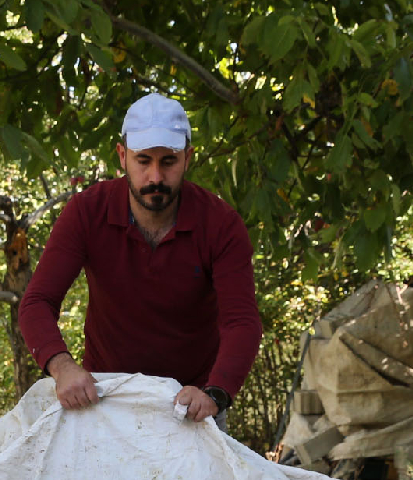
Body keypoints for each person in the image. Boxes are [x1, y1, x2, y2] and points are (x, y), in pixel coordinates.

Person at [18, 93, 262, 423]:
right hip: (106, 397)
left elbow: (241, 321)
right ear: (123, 156)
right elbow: (38, 301)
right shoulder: (87, 212)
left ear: (188, 158)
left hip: (191, 402)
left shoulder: (221, 224)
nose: (156, 178)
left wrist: (216, 393)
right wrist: (62, 367)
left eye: (169, 162)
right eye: (143, 161)